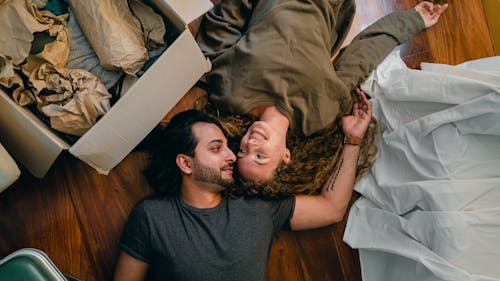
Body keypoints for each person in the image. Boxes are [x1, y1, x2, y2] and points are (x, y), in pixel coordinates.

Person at [113, 87, 371, 281]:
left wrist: (353, 139)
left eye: (227, 146)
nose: (232, 155)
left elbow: (332, 208)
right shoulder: (152, 218)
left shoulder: (259, 206)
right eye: (216, 148)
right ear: (186, 164)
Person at [196, 0, 448, 182]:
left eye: (242, 150)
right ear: (286, 156)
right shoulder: (317, 115)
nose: (251, 143)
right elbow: (359, 59)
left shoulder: (227, 94)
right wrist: (411, 20)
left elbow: (222, 28)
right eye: (260, 156)